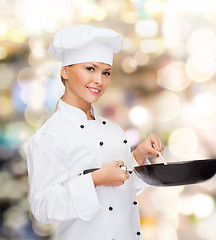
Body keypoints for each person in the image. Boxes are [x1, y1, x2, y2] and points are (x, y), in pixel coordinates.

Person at [26, 25, 164, 240]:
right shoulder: (50, 136)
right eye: (90, 69)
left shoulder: (113, 131)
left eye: (106, 72)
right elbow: (43, 208)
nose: (99, 80)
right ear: (65, 71)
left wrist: (138, 156)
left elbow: (119, 191)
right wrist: (95, 180)